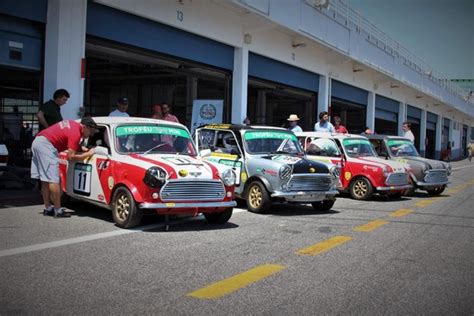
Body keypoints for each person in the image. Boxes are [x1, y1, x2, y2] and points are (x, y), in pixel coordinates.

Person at [31, 117, 98, 217]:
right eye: (90, 131)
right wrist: (88, 154)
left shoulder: (73, 125)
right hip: (46, 145)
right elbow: (71, 157)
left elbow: (65, 138)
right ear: (84, 127)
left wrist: (80, 148)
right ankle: (58, 210)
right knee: (54, 179)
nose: (91, 134)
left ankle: (48, 208)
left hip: (38, 141)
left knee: (45, 179)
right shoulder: (76, 133)